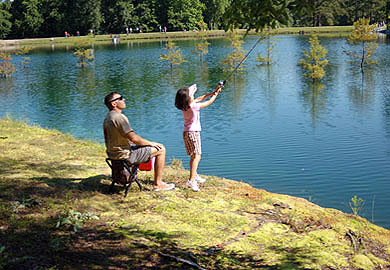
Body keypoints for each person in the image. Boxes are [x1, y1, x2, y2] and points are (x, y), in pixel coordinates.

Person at [103, 92, 175, 191]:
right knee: (161, 149)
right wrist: (151, 143)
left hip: (114, 156)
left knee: (146, 147)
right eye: (120, 98)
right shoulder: (119, 117)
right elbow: (134, 138)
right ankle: (158, 184)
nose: (124, 99)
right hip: (125, 156)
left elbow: (120, 138)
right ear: (114, 104)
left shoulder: (108, 117)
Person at [175, 83, 223, 191]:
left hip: (186, 133)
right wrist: (216, 95)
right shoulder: (194, 106)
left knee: (193, 155)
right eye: (191, 95)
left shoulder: (185, 105)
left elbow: (199, 98)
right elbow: (209, 102)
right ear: (188, 98)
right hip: (194, 133)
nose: (193, 95)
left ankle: (194, 175)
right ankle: (191, 181)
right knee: (197, 156)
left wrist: (213, 92)